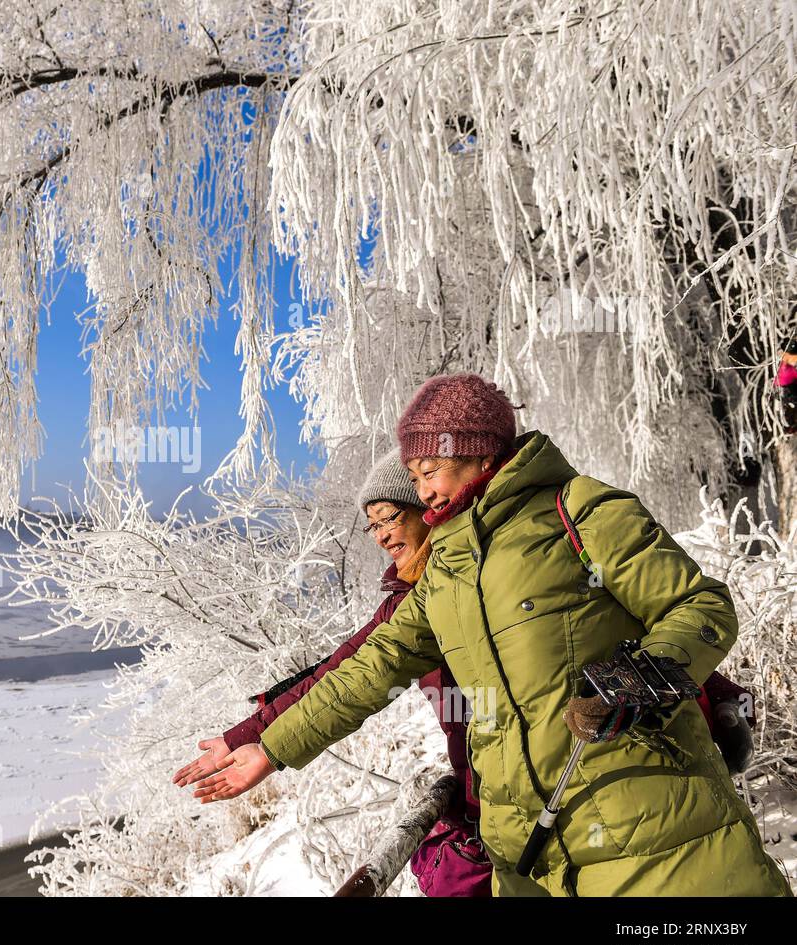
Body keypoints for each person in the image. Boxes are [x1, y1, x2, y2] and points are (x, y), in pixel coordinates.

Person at [195, 373, 791, 897]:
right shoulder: (446, 571)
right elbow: (366, 667)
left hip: (645, 832)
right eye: (414, 475)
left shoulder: (579, 512)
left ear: (481, 455)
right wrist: (271, 748)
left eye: (430, 470)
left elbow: (700, 604)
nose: (423, 490)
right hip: (523, 855)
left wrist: (647, 673)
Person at [172, 449, 492, 896]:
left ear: (429, 509)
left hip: (502, 790)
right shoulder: (410, 597)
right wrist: (248, 735)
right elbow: (339, 669)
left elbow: (366, 675)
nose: (380, 535)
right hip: (484, 787)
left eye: (390, 518)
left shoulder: (462, 582)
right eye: (372, 525)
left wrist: (267, 748)